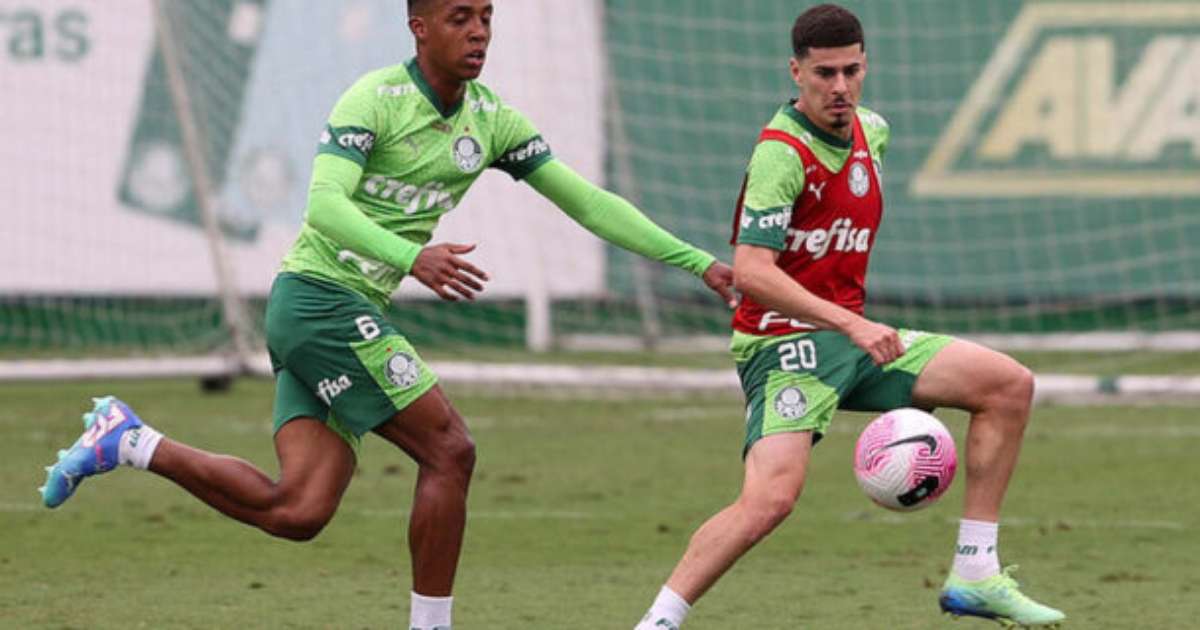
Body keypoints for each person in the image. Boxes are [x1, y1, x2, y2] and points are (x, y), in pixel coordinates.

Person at [38, 2, 735, 629]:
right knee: (450, 450)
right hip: (318, 301)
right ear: (418, 27)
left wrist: (697, 262)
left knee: (298, 510)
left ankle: (130, 441)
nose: (479, 33)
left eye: (486, 17)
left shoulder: (493, 121)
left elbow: (588, 202)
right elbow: (324, 206)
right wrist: (412, 257)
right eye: (460, 18)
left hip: (337, 313)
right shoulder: (374, 99)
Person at [632, 5, 1064, 629]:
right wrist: (850, 324)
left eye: (851, 71)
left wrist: (852, 328)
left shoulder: (872, 131)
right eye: (824, 73)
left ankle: (976, 572)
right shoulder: (781, 153)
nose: (840, 87)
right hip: (783, 347)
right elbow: (751, 271)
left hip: (852, 340)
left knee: (1007, 385)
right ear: (796, 72)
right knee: (770, 501)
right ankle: (658, 622)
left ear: (865, 67)